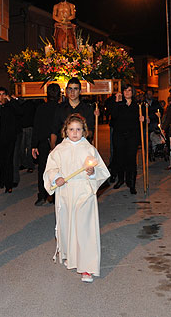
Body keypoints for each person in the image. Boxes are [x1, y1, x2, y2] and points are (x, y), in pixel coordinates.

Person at [43, 114, 110, 283]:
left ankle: (87, 267)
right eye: (71, 129)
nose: (74, 132)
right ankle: (71, 257)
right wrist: (56, 177)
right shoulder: (59, 149)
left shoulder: (89, 150)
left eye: (78, 129)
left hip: (84, 192)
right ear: (65, 131)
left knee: (84, 228)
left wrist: (92, 172)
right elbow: (50, 168)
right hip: (65, 192)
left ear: (84, 131)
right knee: (68, 225)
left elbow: (102, 171)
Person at [107, 84, 145, 194]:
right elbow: (113, 116)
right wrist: (117, 102)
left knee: (131, 160)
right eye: (125, 90)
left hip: (132, 136)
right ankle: (121, 180)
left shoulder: (137, 105)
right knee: (120, 159)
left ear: (133, 92)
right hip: (119, 135)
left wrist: (143, 119)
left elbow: (143, 120)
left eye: (129, 90)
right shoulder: (118, 103)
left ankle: (131, 183)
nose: (127, 92)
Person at [32, 83, 61, 206]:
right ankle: (55, 196)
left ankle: (42, 195)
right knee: (58, 170)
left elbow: (36, 127)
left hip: (43, 143)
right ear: (59, 95)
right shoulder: (61, 108)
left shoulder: (41, 108)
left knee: (43, 170)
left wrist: (34, 145)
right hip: (58, 144)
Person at [50, 77, 95, 148]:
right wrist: (52, 148)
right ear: (67, 91)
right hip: (63, 146)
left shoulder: (87, 108)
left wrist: (80, 133)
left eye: (75, 89)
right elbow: (54, 131)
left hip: (82, 146)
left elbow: (91, 131)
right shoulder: (60, 108)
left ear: (80, 91)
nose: (72, 92)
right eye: (70, 89)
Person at [0, 87, 21, 193]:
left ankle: (9, 184)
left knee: (9, 161)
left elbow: (20, 111)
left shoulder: (11, 106)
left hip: (10, 138)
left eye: (3, 94)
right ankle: (2, 181)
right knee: (1, 161)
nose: (1, 96)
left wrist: (11, 100)